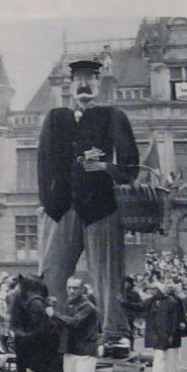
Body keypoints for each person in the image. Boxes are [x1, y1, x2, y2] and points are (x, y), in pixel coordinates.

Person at [36, 57, 140, 339]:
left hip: (100, 208)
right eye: (79, 79)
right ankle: (52, 331)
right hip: (60, 210)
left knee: (107, 275)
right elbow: (43, 163)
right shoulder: (55, 118)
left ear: (99, 83)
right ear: (70, 85)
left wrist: (107, 167)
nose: (84, 84)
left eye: (90, 79)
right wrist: (48, 202)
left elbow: (131, 166)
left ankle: (115, 334)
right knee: (52, 273)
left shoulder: (113, 116)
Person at [55, 277, 100, 372]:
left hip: (85, 352)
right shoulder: (69, 304)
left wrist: (53, 315)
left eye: (75, 288)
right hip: (70, 351)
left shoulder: (88, 307)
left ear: (82, 289)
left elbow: (73, 323)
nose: (72, 291)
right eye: (69, 288)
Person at [142, 279, 185, 372]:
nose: (153, 292)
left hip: (170, 334)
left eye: (155, 290)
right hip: (158, 335)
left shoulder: (173, 302)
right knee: (159, 358)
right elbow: (139, 307)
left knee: (172, 359)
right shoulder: (151, 302)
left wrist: (172, 334)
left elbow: (176, 320)